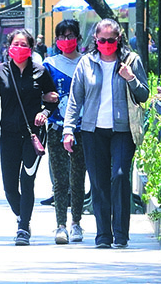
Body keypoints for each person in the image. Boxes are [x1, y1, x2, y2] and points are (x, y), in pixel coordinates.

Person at [63, 18, 149, 249]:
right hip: (92, 131)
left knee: (120, 176)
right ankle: (103, 235)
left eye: (111, 40)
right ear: (95, 40)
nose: (107, 44)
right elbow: (75, 99)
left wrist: (130, 78)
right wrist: (68, 130)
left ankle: (120, 234)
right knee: (99, 182)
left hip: (123, 130)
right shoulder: (86, 64)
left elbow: (144, 95)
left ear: (118, 39)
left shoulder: (132, 61)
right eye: (102, 40)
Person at [0, 29, 58, 246]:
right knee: (9, 185)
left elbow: (53, 99)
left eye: (24, 45)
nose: (19, 48)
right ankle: (22, 214)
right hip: (7, 135)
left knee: (27, 181)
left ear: (31, 48)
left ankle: (23, 227)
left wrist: (44, 113)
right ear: (9, 47)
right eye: (16, 44)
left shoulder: (40, 71)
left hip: (32, 136)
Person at [42, 20, 88, 245]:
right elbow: (39, 92)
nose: (66, 40)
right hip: (56, 128)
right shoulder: (49, 65)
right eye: (61, 36)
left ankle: (76, 222)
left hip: (83, 129)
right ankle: (60, 225)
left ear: (78, 38)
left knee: (78, 177)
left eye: (70, 35)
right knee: (60, 179)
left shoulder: (87, 63)